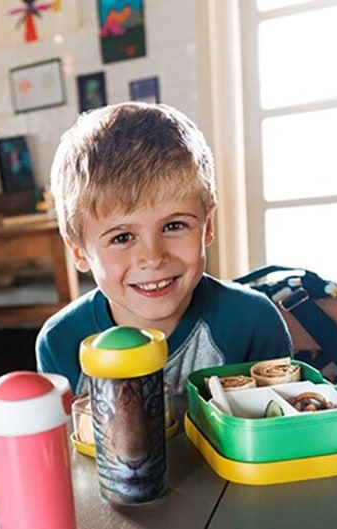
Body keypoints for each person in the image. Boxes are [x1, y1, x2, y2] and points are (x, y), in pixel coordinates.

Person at [36, 102, 293, 396]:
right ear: (79, 252)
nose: (153, 257)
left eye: (173, 226)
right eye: (122, 238)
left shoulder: (254, 322)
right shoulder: (60, 342)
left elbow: (283, 428)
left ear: (207, 227)